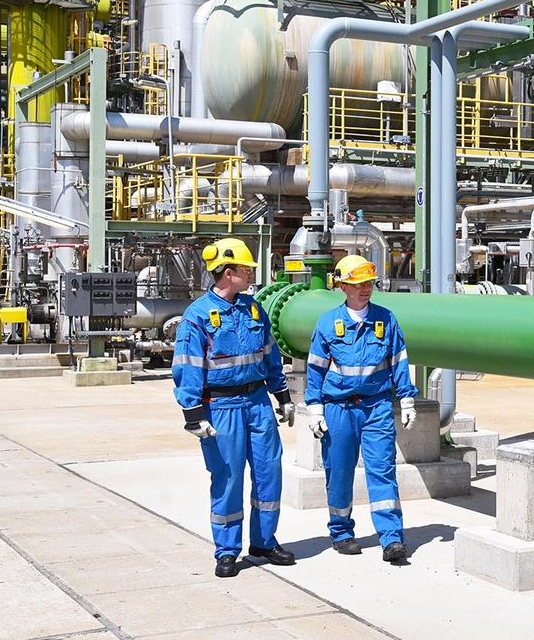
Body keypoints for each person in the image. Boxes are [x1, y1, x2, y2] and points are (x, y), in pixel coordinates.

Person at [173, 237, 296, 578]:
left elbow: (269, 355)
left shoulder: (254, 309)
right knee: (227, 477)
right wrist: (192, 413)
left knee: (269, 472)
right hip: (221, 405)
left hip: (257, 403)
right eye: (246, 269)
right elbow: (188, 365)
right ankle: (227, 550)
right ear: (228, 273)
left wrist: (282, 395)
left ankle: (263, 541)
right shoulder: (197, 316)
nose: (251, 274)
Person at [305, 254, 418, 561]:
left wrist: (406, 398)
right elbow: (314, 370)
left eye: (368, 283)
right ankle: (341, 532)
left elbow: (399, 362)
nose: (365, 289)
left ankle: (392, 538)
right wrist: (314, 409)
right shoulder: (328, 323)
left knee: (382, 470)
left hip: (376, 407)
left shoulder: (386, 320)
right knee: (339, 472)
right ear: (342, 286)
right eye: (357, 284)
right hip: (338, 410)